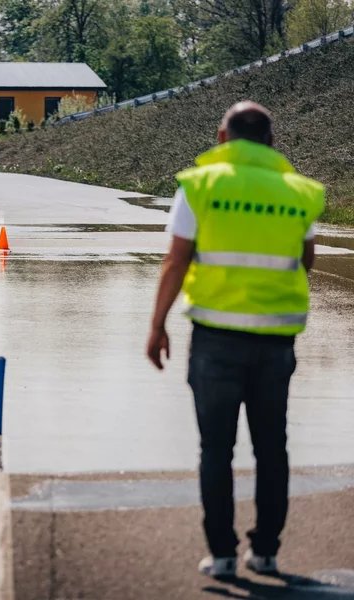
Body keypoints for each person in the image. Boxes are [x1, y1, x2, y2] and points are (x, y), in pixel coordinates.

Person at [145, 101, 325, 578]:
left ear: (223, 138)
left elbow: (176, 260)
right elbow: (306, 258)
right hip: (275, 340)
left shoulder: (202, 184)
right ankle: (265, 552)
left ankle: (222, 555)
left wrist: (157, 323)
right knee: (272, 447)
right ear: (271, 142)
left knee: (216, 449)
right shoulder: (300, 192)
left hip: (216, 339)